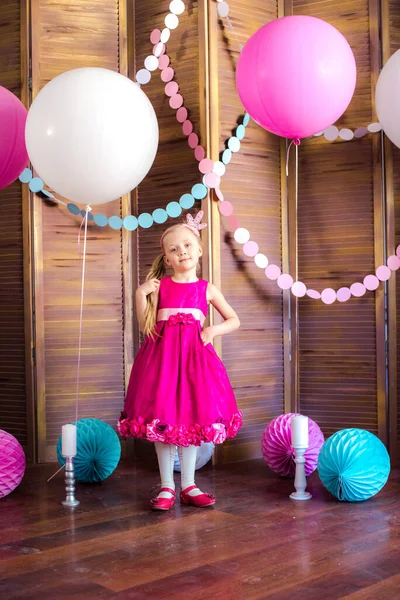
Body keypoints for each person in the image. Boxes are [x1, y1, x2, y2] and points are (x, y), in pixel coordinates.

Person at [118, 210, 242, 510]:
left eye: (187, 245)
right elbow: (143, 325)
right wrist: (139, 293)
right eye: (174, 249)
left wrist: (213, 329)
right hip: (161, 363)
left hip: (194, 364)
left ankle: (189, 484)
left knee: (192, 420)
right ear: (166, 257)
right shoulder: (161, 287)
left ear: (199, 250)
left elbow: (234, 319)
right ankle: (166, 487)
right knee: (163, 420)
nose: (181, 251)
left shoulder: (206, 288)